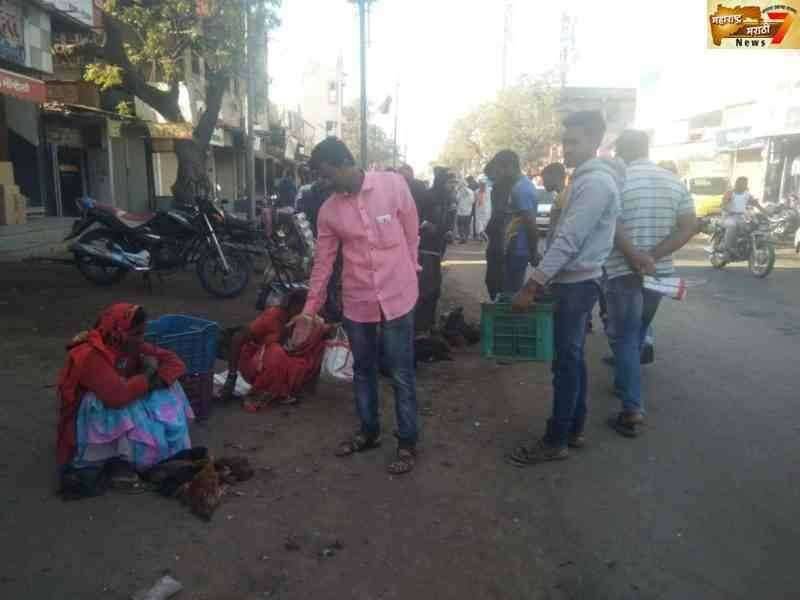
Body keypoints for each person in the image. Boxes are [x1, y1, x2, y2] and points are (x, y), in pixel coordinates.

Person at [294, 137, 420, 475]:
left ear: (344, 163)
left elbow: (411, 233)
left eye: (325, 174)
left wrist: (411, 271)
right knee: (363, 370)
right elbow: (323, 263)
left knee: (400, 371)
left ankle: (407, 440)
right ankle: (369, 432)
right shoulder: (329, 210)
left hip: (398, 294)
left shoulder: (392, 185)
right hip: (359, 299)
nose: (324, 182)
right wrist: (310, 309)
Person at [508, 110, 623, 466]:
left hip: (577, 285)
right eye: (566, 141)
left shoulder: (595, 183)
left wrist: (533, 283)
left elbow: (569, 240)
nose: (566, 149)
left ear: (594, 140)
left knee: (566, 364)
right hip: (575, 283)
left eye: (573, 142)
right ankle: (573, 428)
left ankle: (556, 439)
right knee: (572, 360)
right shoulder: (585, 179)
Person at [604, 130, 697, 438]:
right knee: (639, 331)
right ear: (646, 148)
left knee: (627, 337)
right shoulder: (673, 182)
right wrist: (653, 256)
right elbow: (689, 227)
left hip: (624, 271)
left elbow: (612, 224)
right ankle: (623, 381)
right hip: (660, 272)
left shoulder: (618, 181)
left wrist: (635, 255)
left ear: (620, 151)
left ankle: (632, 409)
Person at [56, 303, 192, 490]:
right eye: (137, 334)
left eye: (142, 333)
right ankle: (115, 458)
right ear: (118, 331)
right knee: (106, 402)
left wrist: (153, 379)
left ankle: (133, 457)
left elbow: (175, 363)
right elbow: (117, 396)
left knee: (169, 385)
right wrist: (146, 376)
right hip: (92, 417)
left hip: (124, 395)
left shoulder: (128, 344)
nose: (141, 340)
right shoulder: (91, 354)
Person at [224, 285, 330, 411]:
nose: (306, 313)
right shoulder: (272, 316)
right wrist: (231, 376)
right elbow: (238, 337)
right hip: (255, 364)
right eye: (303, 309)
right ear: (293, 306)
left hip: (278, 364)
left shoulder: (303, 321)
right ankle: (259, 392)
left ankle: (290, 390)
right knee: (276, 352)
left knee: (318, 345)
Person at [413, 167, 455, 334]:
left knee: (434, 290)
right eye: (449, 182)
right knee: (426, 289)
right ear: (441, 182)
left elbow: (449, 221)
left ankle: (428, 324)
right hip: (425, 250)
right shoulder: (427, 196)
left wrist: (449, 230)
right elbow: (418, 220)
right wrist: (428, 227)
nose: (452, 185)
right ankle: (420, 327)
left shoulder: (449, 199)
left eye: (454, 182)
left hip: (438, 249)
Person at [495, 150, 539, 295]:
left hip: (518, 249)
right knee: (510, 290)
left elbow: (530, 223)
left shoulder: (521, 189)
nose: (499, 174)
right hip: (515, 248)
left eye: (499, 169)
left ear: (509, 167)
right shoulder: (522, 185)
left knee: (511, 293)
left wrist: (533, 252)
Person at [483, 154, 513, 300]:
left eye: (492, 177)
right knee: (492, 281)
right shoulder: (498, 188)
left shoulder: (506, 189)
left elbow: (501, 215)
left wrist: (489, 228)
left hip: (501, 241)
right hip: (496, 240)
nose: (491, 181)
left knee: (496, 282)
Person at [722, 176, 762, 255]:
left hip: (741, 217)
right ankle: (728, 248)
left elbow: (756, 204)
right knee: (732, 225)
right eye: (743, 184)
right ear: (738, 184)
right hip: (729, 217)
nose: (745, 185)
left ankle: (745, 245)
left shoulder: (747, 194)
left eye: (746, 184)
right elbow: (724, 205)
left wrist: (766, 212)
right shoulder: (730, 193)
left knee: (753, 225)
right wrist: (728, 209)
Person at [541, 162, 567, 247]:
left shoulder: (563, 197)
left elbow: (554, 228)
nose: (543, 183)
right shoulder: (563, 195)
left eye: (545, 179)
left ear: (554, 177)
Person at [454, 176, 476, 244]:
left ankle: (462, 237)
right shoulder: (471, 191)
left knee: (460, 225)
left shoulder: (459, 191)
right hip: (468, 212)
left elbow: (457, 199)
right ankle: (465, 238)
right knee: (466, 225)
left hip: (460, 212)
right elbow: (473, 201)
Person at [474, 177, 492, 242]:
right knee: (479, 222)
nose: (482, 185)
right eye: (481, 184)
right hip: (479, 209)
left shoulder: (489, 190)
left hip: (487, 209)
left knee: (485, 223)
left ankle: (482, 235)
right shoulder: (476, 191)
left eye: (483, 184)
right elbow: (475, 200)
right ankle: (481, 233)